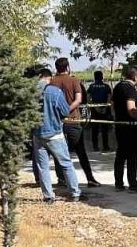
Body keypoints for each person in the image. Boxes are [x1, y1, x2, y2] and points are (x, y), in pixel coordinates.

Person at [32, 66, 82, 203]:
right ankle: (74, 192)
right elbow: (65, 111)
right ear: (49, 78)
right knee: (66, 163)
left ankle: (48, 196)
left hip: (37, 134)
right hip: (55, 133)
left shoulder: (30, 92)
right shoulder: (55, 91)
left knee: (43, 167)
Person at [49, 57, 101, 188]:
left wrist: (60, 112)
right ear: (68, 67)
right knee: (80, 150)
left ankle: (61, 179)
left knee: (58, 151)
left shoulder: (52, 82)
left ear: (56, 68)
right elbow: (78, 100)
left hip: (57, 121)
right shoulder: (74, 80)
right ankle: (90, 178)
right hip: (73, 120)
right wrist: (67, 109)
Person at [112, 64, 137, 193]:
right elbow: (131, 108)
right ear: (135, 76)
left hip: (120, 125)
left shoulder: (117, 87)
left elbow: (112, 103)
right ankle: (133, 183)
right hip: (131, 127)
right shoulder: (130, 89)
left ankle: (119, 183)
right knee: (132, 156)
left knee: (120, 154)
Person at [86, 70, 112, 152]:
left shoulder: (91, 86)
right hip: (105, 110)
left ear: (94, 77)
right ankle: (106, 146)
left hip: (94, 110)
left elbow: (88, 98)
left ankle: (95, 147)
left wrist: (93, 107)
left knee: (95, 129)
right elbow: (109, 98)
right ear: (102, 77)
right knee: (105, 129)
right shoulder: (106, 86)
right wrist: (105, 108)